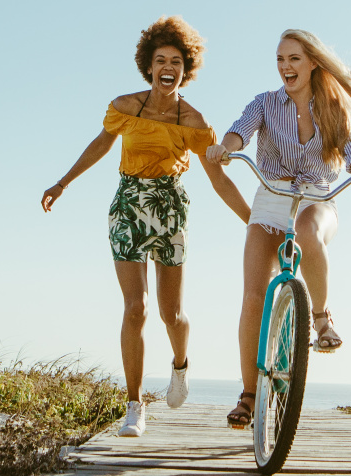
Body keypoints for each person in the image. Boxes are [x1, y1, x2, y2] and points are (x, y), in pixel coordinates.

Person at [39, 17, 243, 437]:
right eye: (160, 60)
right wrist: (62, 183)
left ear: (186, 69)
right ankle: (134, 405)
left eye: (176, 62)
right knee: (137, 308)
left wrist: (251, 221)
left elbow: (218, 178)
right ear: (148, 66)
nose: (167, 68)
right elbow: (101, 143)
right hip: (129, 205)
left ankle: (180, 365)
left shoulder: (194, 122)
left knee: (172, 313)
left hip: (169, 209)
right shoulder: (126, 107)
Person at [204, 29, 351, 429]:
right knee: (253, 296)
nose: (286, 67)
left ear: (313, 63)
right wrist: (227, 149)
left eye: (294, 59)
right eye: (281, 60)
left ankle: (320, 318)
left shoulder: (332, 107)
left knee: (306, 233)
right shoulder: (265, 103)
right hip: (270, 195)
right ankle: (248, 396)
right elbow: (239, 131)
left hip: (318, 197)